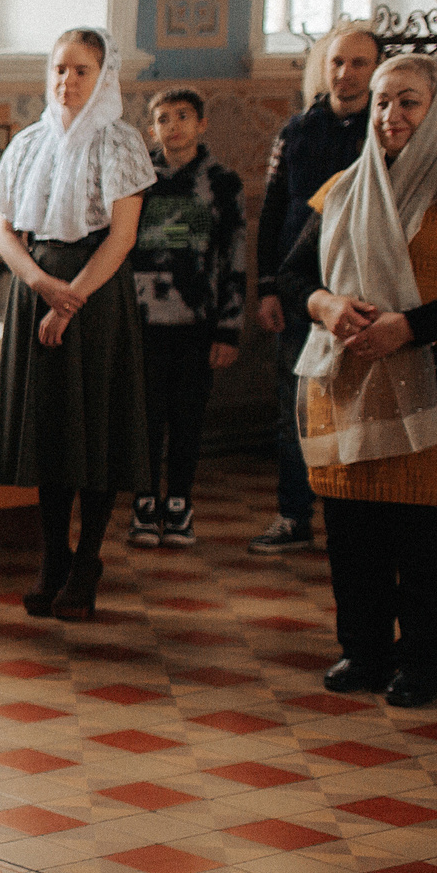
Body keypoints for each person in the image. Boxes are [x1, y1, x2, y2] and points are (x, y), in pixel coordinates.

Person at [276, 54, 437, 708]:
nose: (392, 117)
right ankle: (363, 648)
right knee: (354, 533)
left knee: (429, 538)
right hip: (348, 386)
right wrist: (327, 306)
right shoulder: (343, 188)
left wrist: (408, 327)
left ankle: (423, 659)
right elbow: (294, 275)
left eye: (409, 102)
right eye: (384, 102)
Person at [0, 27, 154, 622]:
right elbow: (6, 231)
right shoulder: (29, 142)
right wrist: (40, 285)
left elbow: (123, 234)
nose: (67, 81)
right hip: (38, 285)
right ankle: (53, 556)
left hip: (96, 296)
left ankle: (88, 562)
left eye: (82, 70)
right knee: (49, 432)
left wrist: (71, 299)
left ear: (103, 76)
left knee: (95, 431)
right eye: (60, 69)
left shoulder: (119, 141)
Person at [252, 22, 379, 553]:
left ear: (376, 71)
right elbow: (273, 210)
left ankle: (362, 520)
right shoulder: (296, 132)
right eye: (336, 62)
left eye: (358, 64)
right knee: (297, 408)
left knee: (364, 408)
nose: (345, 74)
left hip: (364, 290)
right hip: (300, 288)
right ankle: (293, 514)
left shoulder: (387, 129)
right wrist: (267, 287)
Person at [127, 88, 246, 548]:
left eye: (182, 117)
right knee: (146, 417)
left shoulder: (221, 182)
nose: (172, 126)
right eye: (162, 118)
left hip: (197, 320)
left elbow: (234, 256)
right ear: (151, 128)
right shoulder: (136, 179)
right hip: (143, 321)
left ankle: (179, 503)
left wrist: (229, 328)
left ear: (201, 124)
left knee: (188, 418)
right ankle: (144, 501)